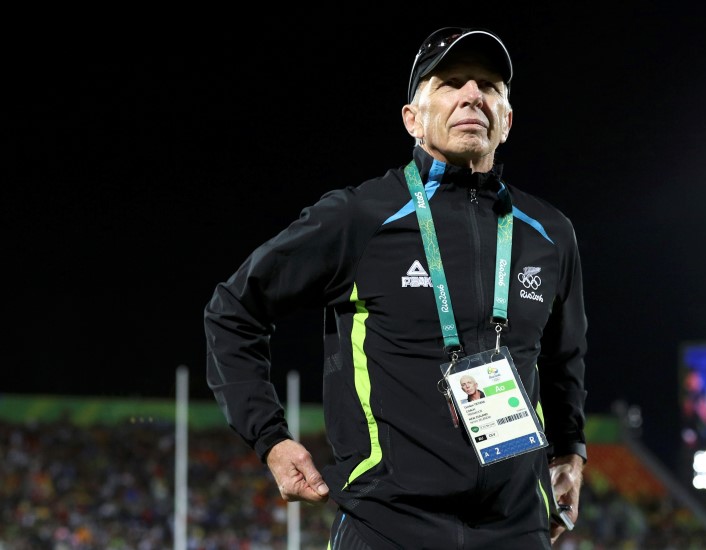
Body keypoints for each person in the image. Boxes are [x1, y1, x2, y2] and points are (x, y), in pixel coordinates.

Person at [205, 26, 588, 549]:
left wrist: (571, 451)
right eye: (451, 82)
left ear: (507, 120)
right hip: (389, 522)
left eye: (489, 85)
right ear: (412, 118)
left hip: (516, 525)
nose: (473, 94)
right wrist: (270, 438)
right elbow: (233, 310)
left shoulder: (548, 232)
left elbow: (564, 357)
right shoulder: (359, 217)